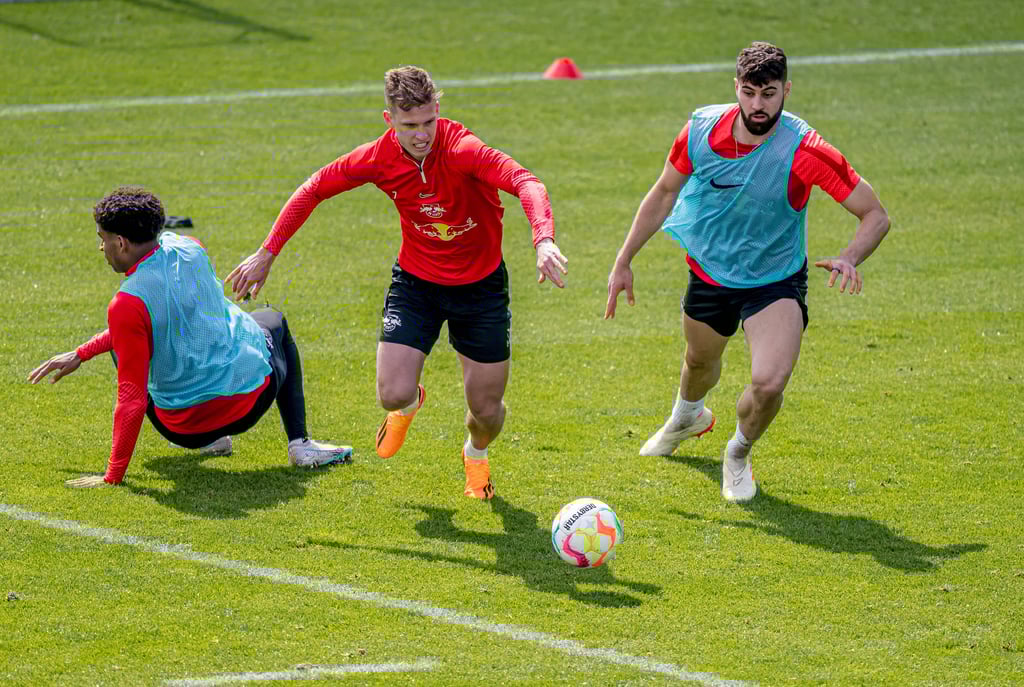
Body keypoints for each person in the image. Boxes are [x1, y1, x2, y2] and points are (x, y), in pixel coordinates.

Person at [226, 66, 568, 500]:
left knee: (485, 410)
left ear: (438, 111)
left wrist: (544, 240)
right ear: (390, 121)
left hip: (480, 289)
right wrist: (267, 252)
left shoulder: (464, 149)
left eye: (428, 122)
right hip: (416, 284)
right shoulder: (377, 157)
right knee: (392, 393)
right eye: (410, 126)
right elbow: (313, 189)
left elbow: (526, 182)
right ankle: (410, 403)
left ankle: (476, 455)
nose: (422, 134)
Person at [604, 42, 890, 503]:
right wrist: (624, 259)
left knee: (770, 381)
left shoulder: (806, 149)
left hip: (775, 280)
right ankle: (687, 416)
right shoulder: (700, 131)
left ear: (787, 91)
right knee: (699, 362)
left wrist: (851, 257)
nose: (759, 105)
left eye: (770, 94)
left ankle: (738, 452)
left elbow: (875, 214)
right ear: (736, 87)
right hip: (711, 273)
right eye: (751, 93)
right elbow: (662, 193)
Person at [28, 186, 352, 488]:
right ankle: (300, 444)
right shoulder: (192, 249)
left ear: (122, 243)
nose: (102, 247)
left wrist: (112, 475)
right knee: (273, 320)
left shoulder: (127, 302)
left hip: (186, 430)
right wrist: (81, 353)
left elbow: (132, 398)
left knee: (124, 346)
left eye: (103, 239)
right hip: (252, 403)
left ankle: (214, 441)